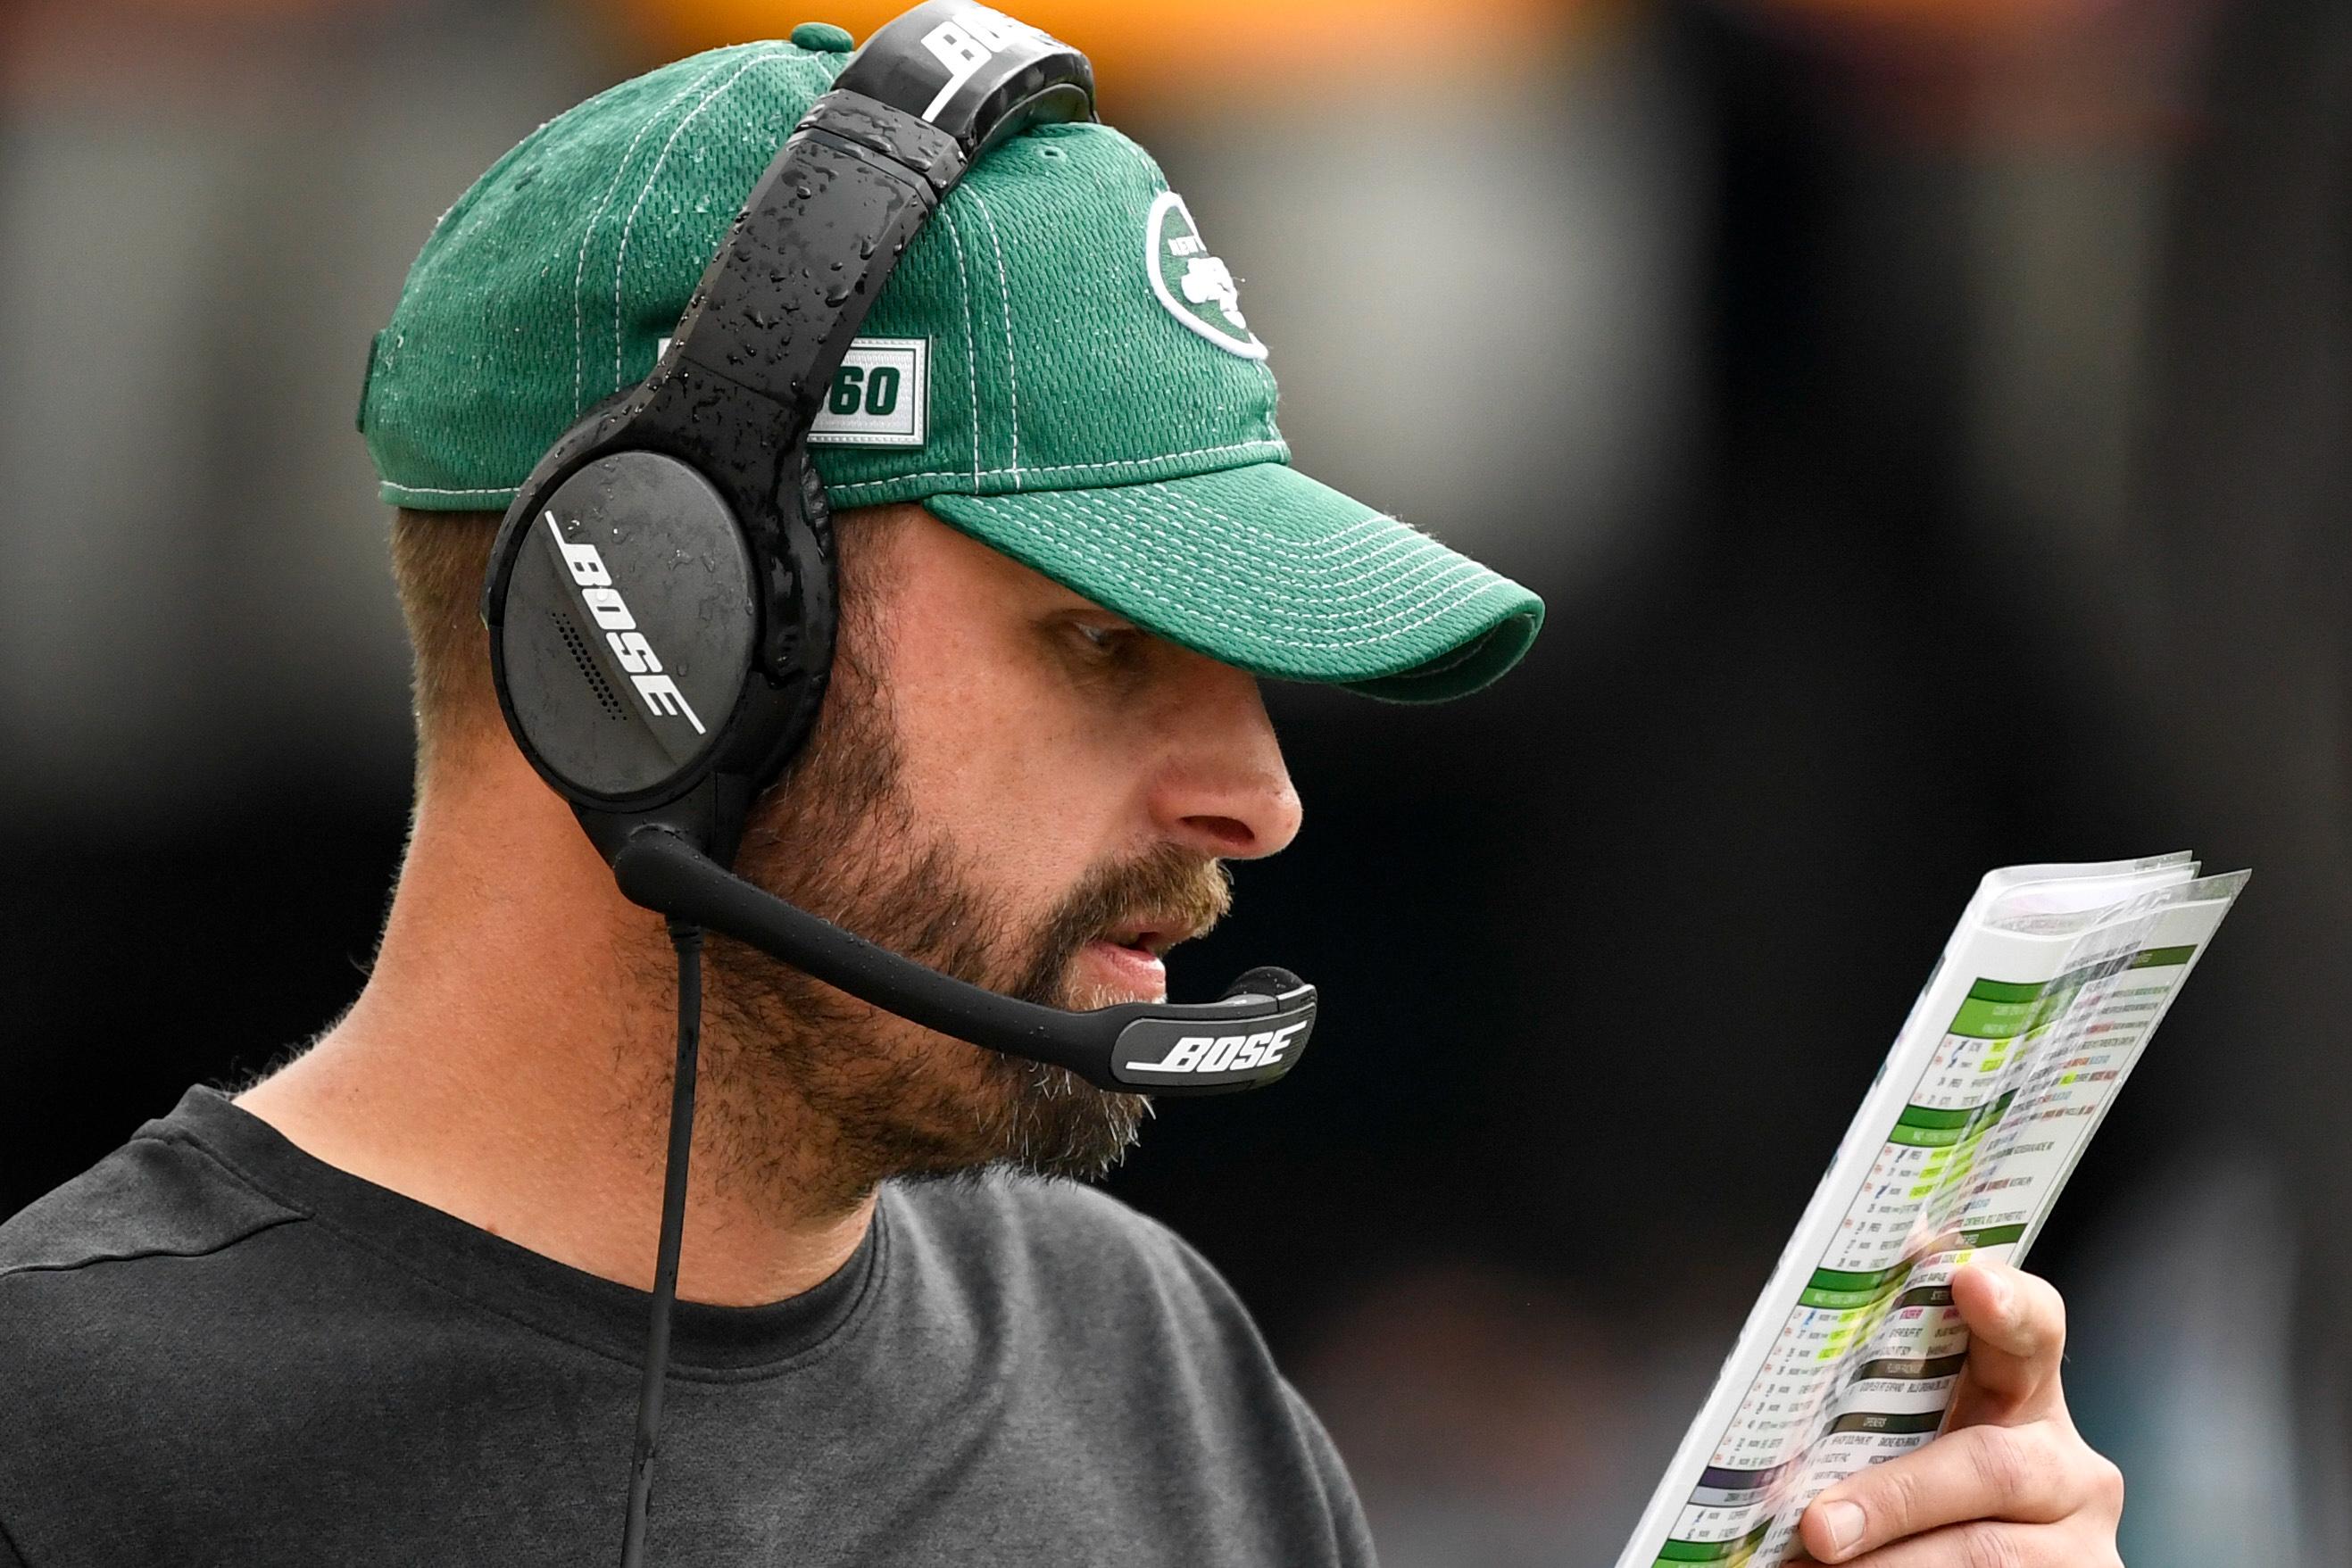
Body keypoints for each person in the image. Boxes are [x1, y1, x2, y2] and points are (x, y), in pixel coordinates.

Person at [0, 21, 2123, 1567]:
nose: (1259, 800)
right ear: (663, 631)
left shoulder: (1143, 1357)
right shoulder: (65, 1437)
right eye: (1099, 645)